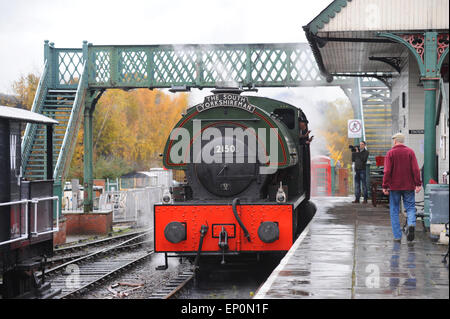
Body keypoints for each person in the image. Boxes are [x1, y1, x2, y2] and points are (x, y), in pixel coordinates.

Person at [382, 133, 422, 242]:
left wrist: (385, 185)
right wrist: (418, 184)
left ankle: (397, 236)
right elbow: (415, 169)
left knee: (394, 210)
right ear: (403, 141)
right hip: (409, 186)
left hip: (394, 187)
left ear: (395, 141)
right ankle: (411, 224)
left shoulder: (390, 153)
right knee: (410, 207)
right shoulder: (410, 152)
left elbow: (387, 171)